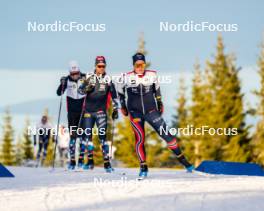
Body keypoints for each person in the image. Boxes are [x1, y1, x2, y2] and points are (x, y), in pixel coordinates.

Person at [117, 52, 194, 178]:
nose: (140, 67)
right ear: (133, 65)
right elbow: (120, 92)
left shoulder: (152, 74)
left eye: (142, 64)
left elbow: (157, 90)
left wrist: (160, 103)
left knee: (167, 135)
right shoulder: (126, 77)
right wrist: (123, 106)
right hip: (135, 112)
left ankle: (185, 163)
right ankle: (143, 167)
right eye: (137, 65)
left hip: (151, 111)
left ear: (145, 64)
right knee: (140, 138)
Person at [78, 56, 119, 172]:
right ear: (95, 66)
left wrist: (116, 109)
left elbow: (115, 95)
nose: (101, 68)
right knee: (87, 137)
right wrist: (86, 88)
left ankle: (107, 163)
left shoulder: (108, 79)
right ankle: (90, 161)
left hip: (101, 112)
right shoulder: (89, 76)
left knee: (102, 137)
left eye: (103, 66)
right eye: (99, 66)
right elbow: (79, 91)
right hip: (88, 112)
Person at [56, 61, 88, 170]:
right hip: (72, 113)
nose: (75, 75)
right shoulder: (67, 80)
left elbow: (92, 90)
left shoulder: (85, 78)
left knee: (83, 136)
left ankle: (81, 160)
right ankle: (72, 161)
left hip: (83, 112)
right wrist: (62, 83)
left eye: (77, 73)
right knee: (73, 136)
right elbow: (59, 93)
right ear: (70, 73)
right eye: (73, 73)